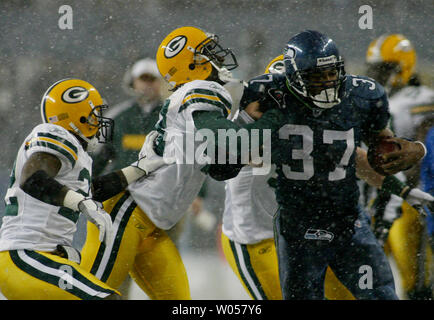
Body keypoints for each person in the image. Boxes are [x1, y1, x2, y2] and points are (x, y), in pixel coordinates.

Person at [79, 26, 286, 300]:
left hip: (154, 228)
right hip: (125, 216)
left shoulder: (193, 98)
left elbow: (221, 167)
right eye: (206, 52)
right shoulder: (198, 90)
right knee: (91, 297)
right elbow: (236, 144)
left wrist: (247, 120)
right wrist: (275, 117)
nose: (217, 56)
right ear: (189, 63)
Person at [221, 55, 433, 300]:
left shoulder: (311, 120)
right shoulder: (256, 123)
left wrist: (403, 191)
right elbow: (231, 157)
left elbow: (354, 159)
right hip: (257, 239)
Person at [0, 79, 167, 300]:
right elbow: (32, 179)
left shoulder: (76, 153)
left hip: (40, 259)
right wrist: (80, 203)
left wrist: (141, 168)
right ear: (77, 116)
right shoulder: (56, 134)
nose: (99, 121)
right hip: (25, 256)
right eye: (94, 114)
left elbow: (91, 191)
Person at [365, 34, 434, 299]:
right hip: (377, 198)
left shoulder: (419, 99)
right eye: (374, 68)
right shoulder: (375, 99)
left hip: (409, 199)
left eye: (384, 67)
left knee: (416, 283)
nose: (377, 75)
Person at [92, 58, 164, 176]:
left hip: (160, 190)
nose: (148, 84)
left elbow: (189, 155)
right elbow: (100, 157)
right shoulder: (117, 117)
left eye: (152, 79)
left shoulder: (172, 116)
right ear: (133, 82)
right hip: (123, 189)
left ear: (159, 82)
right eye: (143, 79)